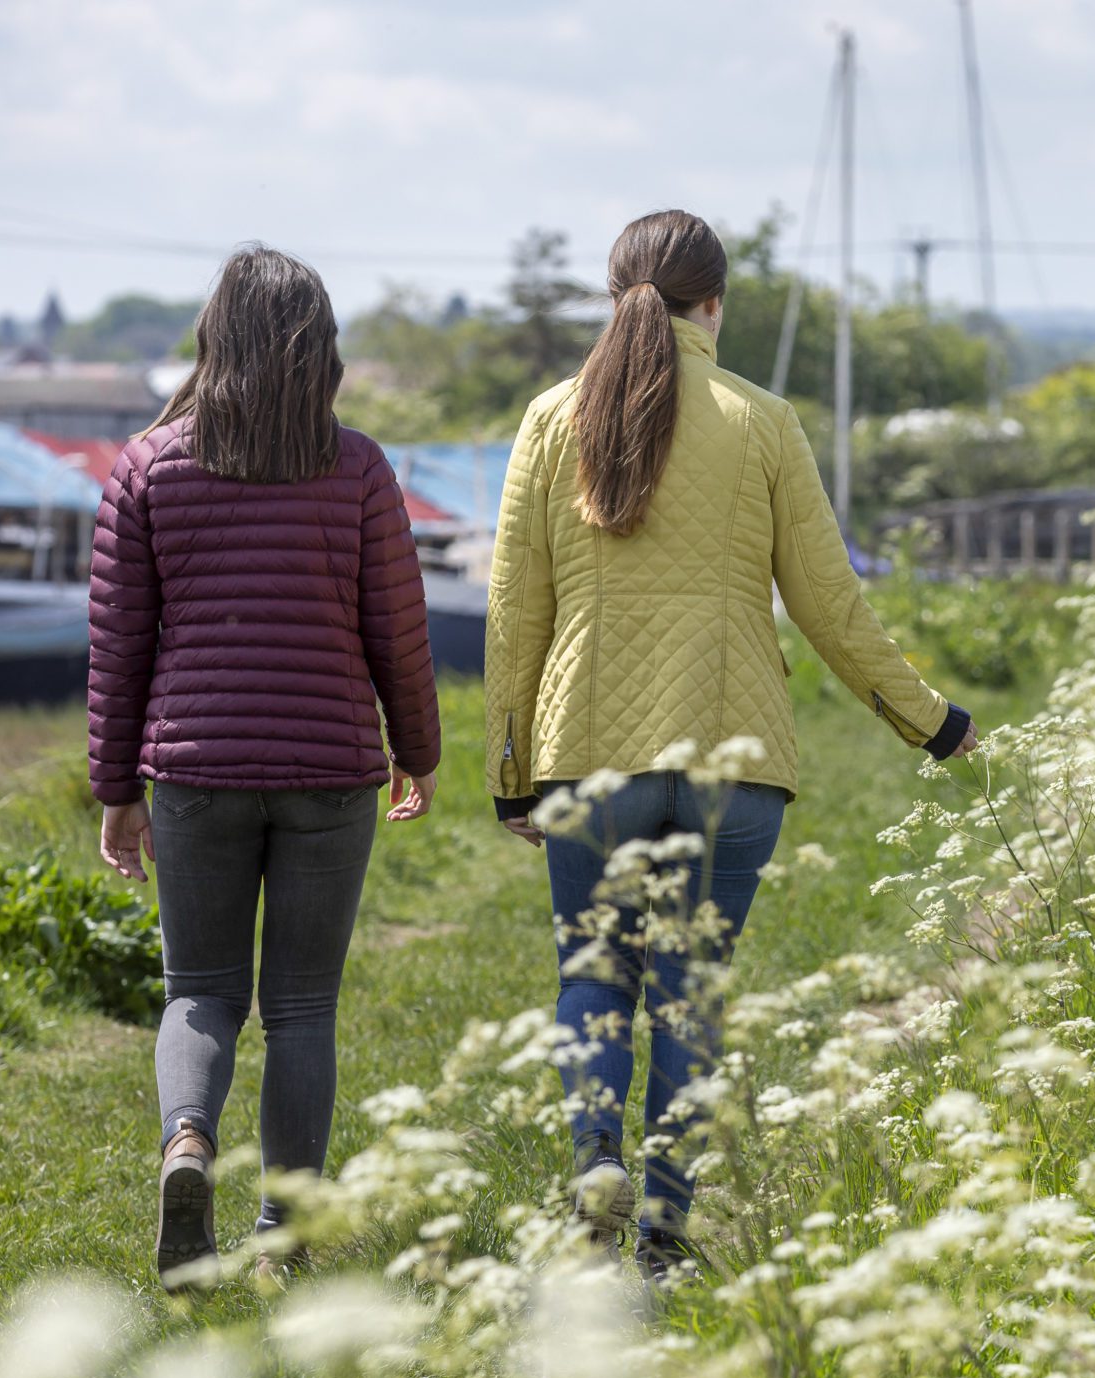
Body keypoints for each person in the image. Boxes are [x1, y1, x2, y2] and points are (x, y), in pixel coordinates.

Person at [484, 209, 975, 1284]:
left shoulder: (549, 418)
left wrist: (510, 771)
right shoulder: (762, 420)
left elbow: (515, 612)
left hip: (585, 753)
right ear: (716, 304)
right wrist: (932, 722)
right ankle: (666, 1228)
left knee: (595, 975)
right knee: (689, 990)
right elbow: (830, 605)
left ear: (613, 296)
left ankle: (591, 1174)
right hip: (731, 754)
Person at [88, 245, 442, 1291]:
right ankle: (281, 1234)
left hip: (194, 772)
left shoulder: (149, 466)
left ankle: (187, 1144)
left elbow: (118, 645)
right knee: (301, 1007)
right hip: (330, 769)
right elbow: (399, 629)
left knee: (199, 992)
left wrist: (116, 790)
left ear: (214, 339)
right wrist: (416, 752)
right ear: (320, 353)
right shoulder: (360, 467)